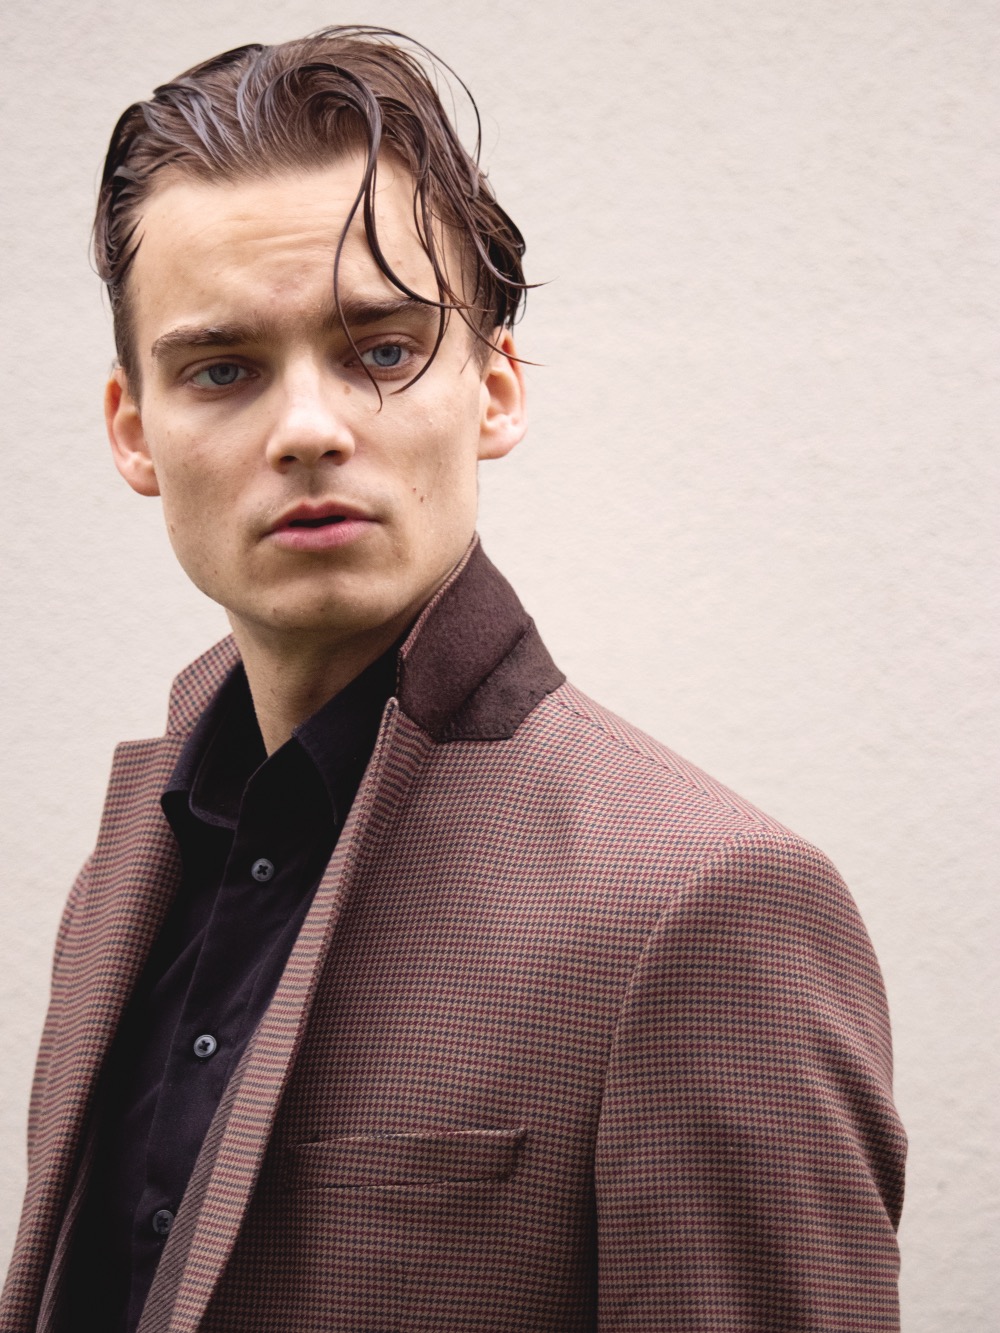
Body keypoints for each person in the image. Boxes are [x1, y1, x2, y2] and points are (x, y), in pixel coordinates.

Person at [0, 25, 905, 1332]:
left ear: (495, 391)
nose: (307, 429)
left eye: (380, 349)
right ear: (135, 431)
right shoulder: (126, 869)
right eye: (223, 369)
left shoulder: (707, 905)